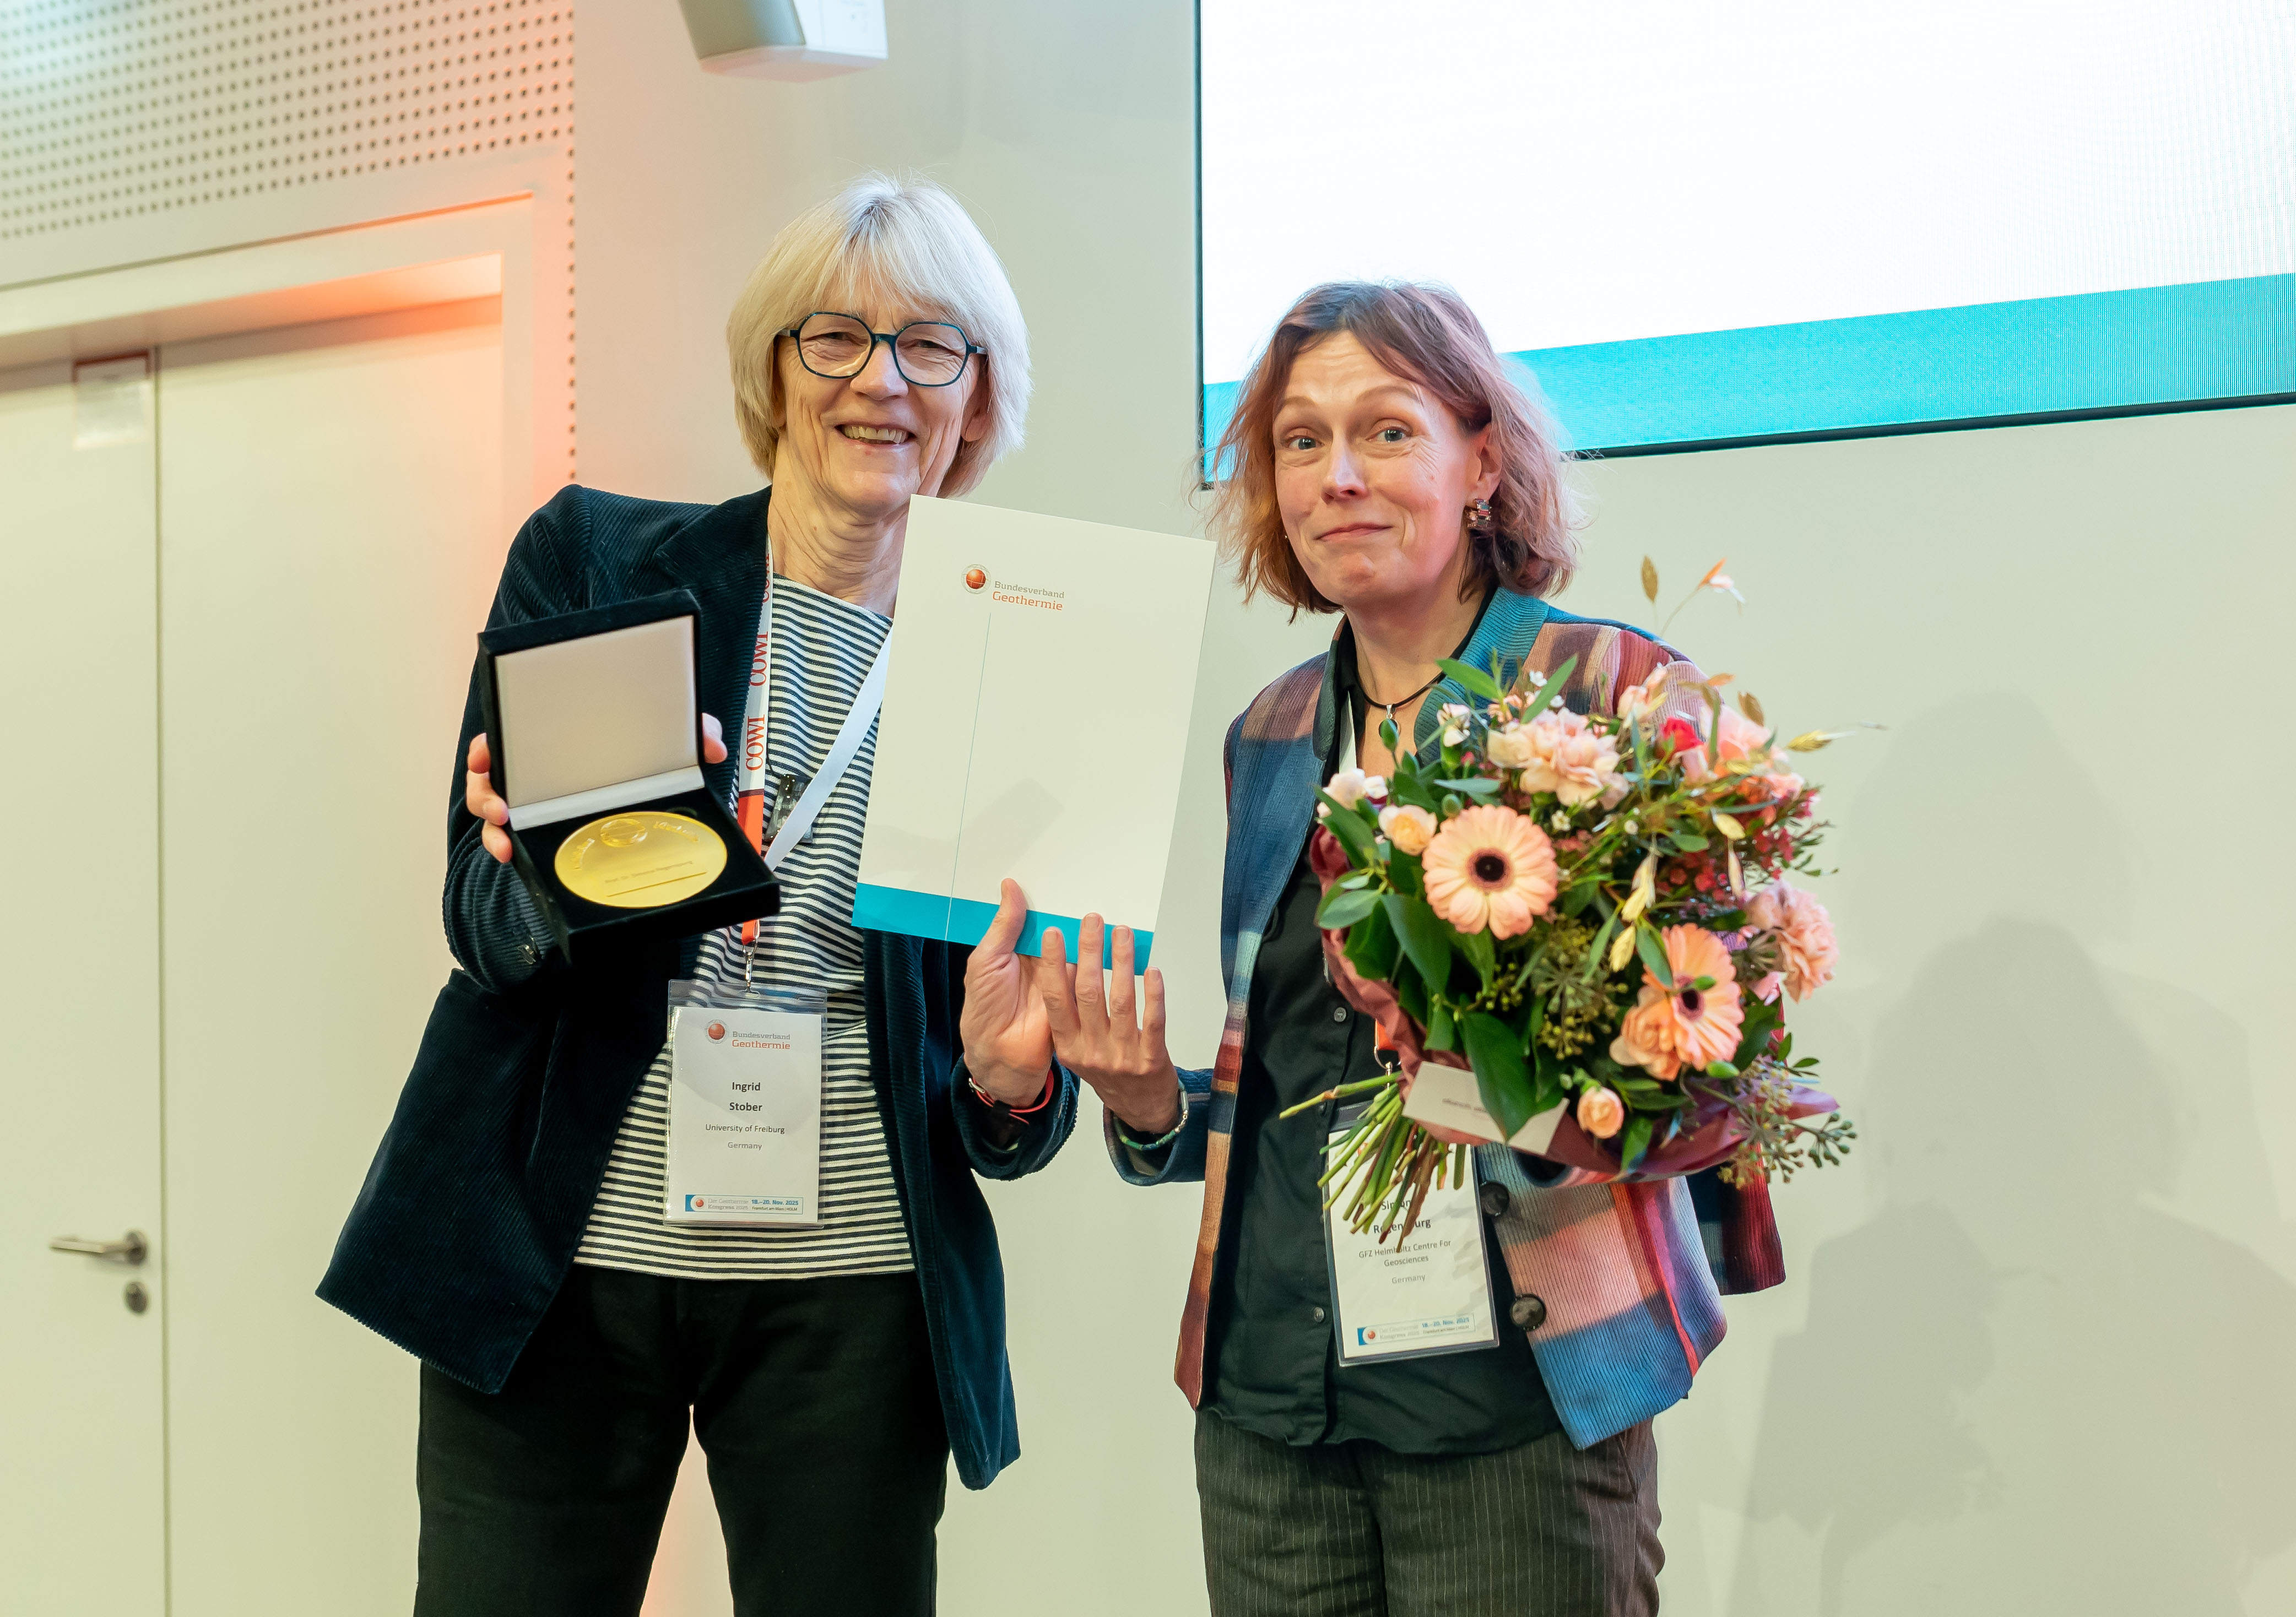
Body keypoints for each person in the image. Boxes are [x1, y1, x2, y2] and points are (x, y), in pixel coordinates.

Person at [318, 174, 1080, 1617]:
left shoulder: (1013, 660)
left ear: (979, 396)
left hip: (850, 1295)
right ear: (773, 370)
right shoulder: (600, 565)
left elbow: (1010, 1118)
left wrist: (1014, 1079)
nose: (883, 381)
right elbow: (479, 928)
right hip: (560, 1271)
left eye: (933, 345)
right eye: (836, 339)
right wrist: (558, 884)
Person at [1039, 281, 1779, 1616]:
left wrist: (1476, 1057)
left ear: (1480, 457)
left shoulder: (1610, 693)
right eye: (1299, 441)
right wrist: (1148, 1105)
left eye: (1385, 432)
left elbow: (1712, 1072)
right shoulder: (1267, 732)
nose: (1337, 477)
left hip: (1515, 1412)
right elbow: (1287, 1086)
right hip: (1275, 1413)